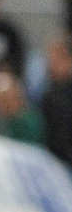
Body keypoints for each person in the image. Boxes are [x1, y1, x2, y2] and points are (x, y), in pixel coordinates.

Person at [40, 35, 72, 166]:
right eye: (50, 59)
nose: (52, 64)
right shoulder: (48, 94)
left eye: (57, 59)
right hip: (56, 162)